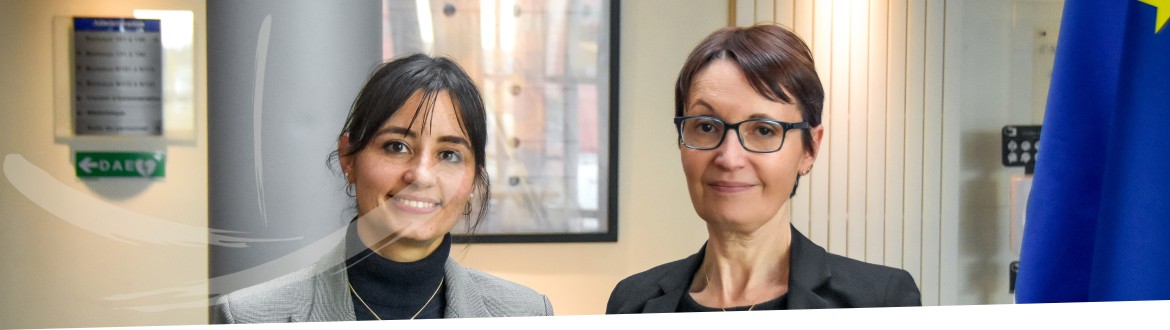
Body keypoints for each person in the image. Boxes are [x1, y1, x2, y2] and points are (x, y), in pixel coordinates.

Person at [213, 54, 553, 323]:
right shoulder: (249, 317)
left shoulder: (527, 315)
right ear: (349, 157)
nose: (421, 175)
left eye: (448, 154)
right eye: (396, 147)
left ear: (473, 180)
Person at [607, 25, 920, 314]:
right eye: (705, 126)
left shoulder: (878, 302)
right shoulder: (633, 301)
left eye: (764, 130)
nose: (729, 158)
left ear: (810, 148)